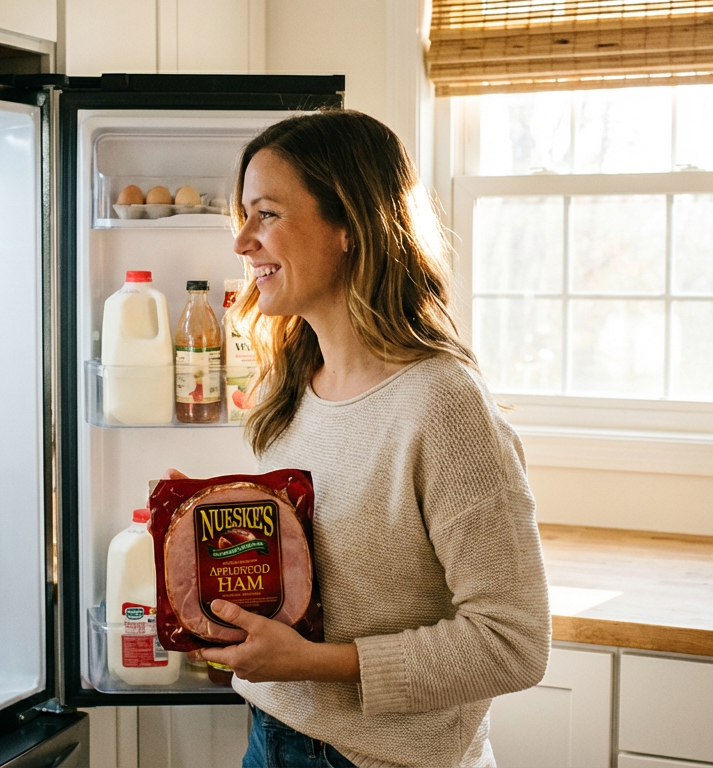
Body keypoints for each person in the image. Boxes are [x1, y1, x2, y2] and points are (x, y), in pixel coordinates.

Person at [180, 109, 551, 768]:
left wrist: (315, 663)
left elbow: (513, 643)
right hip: (270, 738)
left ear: (348, 225)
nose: (241, 241)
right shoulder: (290, 387)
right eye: (243, 216)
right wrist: (210, 536)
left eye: (267, 214)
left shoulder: (441, 402)